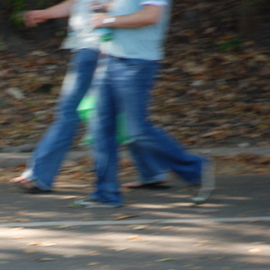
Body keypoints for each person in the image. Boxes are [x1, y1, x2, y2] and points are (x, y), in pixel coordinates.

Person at [73, 0, 214, 207]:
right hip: (111, 59)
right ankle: (106, 194)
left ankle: (195, 168)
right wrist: (106, 5)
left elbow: (151, 16)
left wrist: (108, 20)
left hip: (136, 63)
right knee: (100, 128)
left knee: (137, 131)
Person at [11, 0, 108, 193]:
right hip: (88, 48)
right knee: (121, 116)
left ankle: (39, 175)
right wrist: (45, 14)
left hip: (94, 48)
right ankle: (153, 170)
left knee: (70, 112)